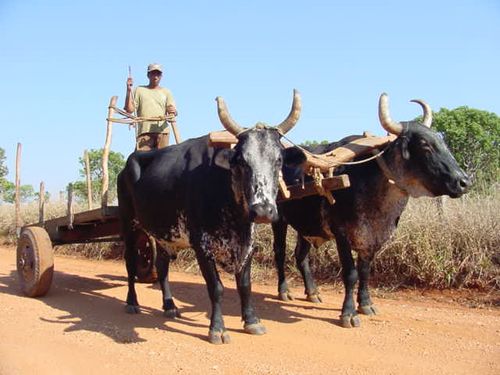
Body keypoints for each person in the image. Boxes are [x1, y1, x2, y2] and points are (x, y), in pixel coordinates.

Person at [124, 63, 177, 151]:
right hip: (145, 131)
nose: (155, 76)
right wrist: (128, 90)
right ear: (148, 75)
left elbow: (172, 112)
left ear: (161, 76)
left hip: (162, 132)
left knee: (162, 161)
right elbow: (129, 110)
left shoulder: (166, 92)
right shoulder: (139, 90)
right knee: (142, 159)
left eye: (158, 74)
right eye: (153, 73)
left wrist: (173, 111)